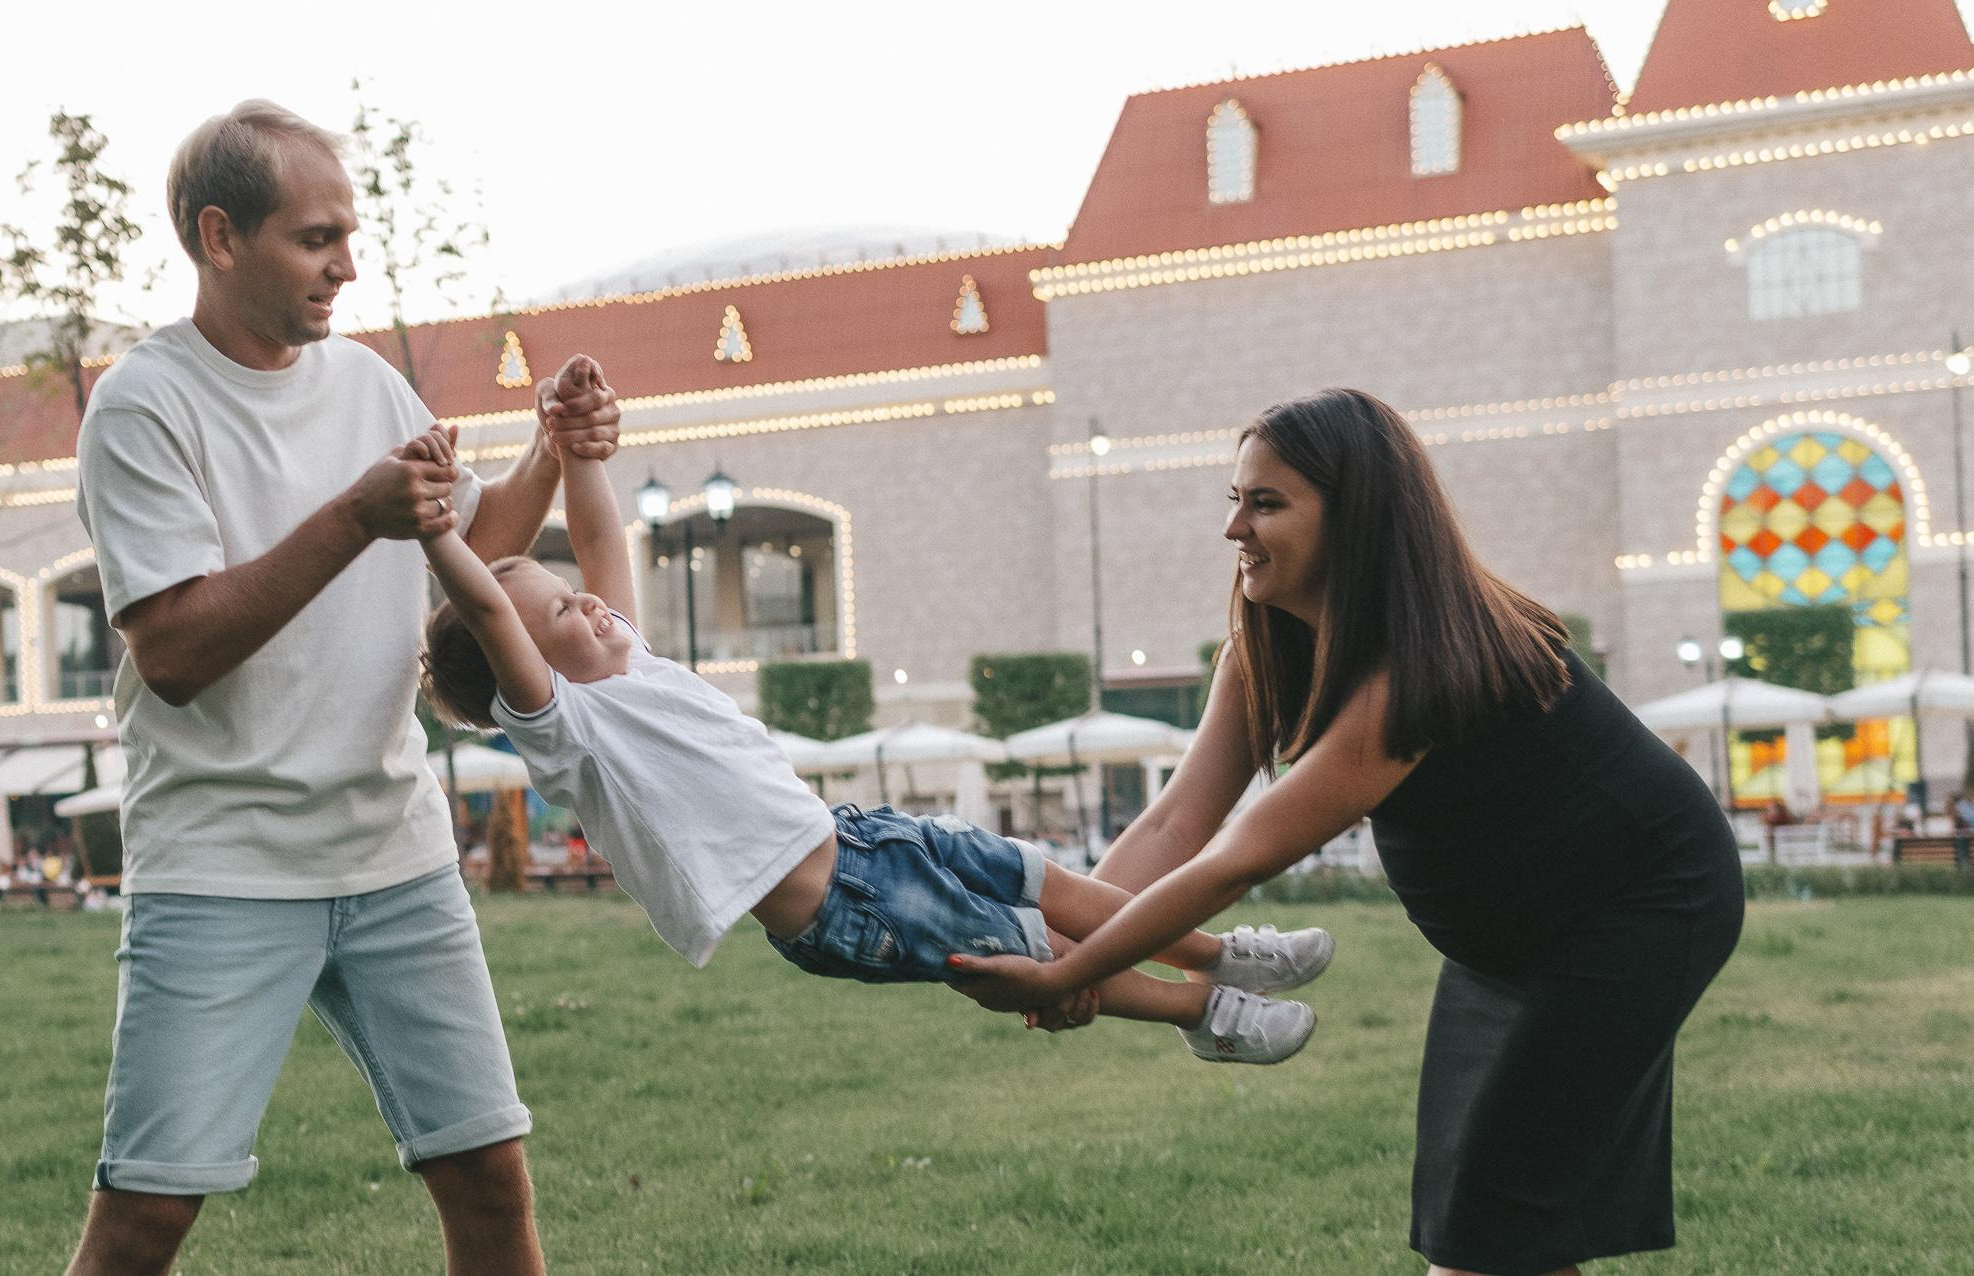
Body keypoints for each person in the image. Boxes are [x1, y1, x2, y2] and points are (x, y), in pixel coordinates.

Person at [948, 389, 1744, 1276]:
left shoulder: (1413, 670)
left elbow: (1236, 861)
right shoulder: (1266, 647)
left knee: (1486, 1235)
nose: (1234, 529)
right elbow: (1178, 819)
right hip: (1505, 943)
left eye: (1267, 503)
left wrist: (1071, 972)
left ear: (1355, 520)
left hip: (1635, 913)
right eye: (1234, 500)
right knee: (1497, 1229)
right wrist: (1068, 939)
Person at [64, 100, 619, 1276]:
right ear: (221, 237)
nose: (346, 266)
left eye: (347, 235)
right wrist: (353, 518)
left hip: (394, 854)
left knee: (488, 1182)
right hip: (222, 864)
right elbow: (173, 650)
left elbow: (474, 544)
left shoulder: (365, 385)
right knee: (147, 1213)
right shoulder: (144, 406)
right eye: (315, 239)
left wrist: (551, 448)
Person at [409, 391, 1330, 1062]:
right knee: (1027, 945)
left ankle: (1220, 952)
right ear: (523, 682)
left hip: (860, 835)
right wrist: (437, 530)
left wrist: (580, 451)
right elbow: (492, 618)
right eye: (562, 613)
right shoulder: (569, 730)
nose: (590, 606)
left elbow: (604, 542)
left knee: (1039, 877)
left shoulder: (628, 662)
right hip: (842, 906)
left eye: (576, 595)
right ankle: (1202, 1014)